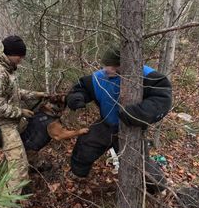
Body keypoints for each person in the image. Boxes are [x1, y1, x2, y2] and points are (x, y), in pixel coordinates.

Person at [66, 47, 172, 191]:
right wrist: (77, 97)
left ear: (123, 64)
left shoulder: (147, 76)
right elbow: (82, 87)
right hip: (106, 124)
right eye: (105, 65)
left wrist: (138, 113)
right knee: (85, 145)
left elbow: (162, 99)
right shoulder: (100, 77)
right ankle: (78, 176)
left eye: (111, 66)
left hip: (131, 130)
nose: (106, 69)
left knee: (140, 166)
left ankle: (159, 187)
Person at [0, 35, 47, 208]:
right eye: (20, 56)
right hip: (1, 123)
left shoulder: (5, 69)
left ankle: (20, 184)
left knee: (25, 150)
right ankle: (5, 206)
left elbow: (14, 92)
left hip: (11, 120)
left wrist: (36, 94)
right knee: (18, 164)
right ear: (10, 54)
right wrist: (20, 111)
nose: (21, 60)